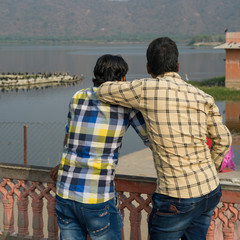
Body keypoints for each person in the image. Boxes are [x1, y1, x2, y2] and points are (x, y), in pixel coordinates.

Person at [97, 37, 232, 240]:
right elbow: (223, 140)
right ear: (178, 65)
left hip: (176, 197)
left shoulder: (145, 89)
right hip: (209, 190)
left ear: (148, 67)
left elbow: (103, 90)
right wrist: (210, 167)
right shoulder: (203, 97)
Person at [51, 54, 150, 240]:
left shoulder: (78, 96)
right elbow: (150, 139)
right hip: (96, 196)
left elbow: (69, 135)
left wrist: (63, 164)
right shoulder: (126, 105)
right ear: (121, 79)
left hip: (65, 191)